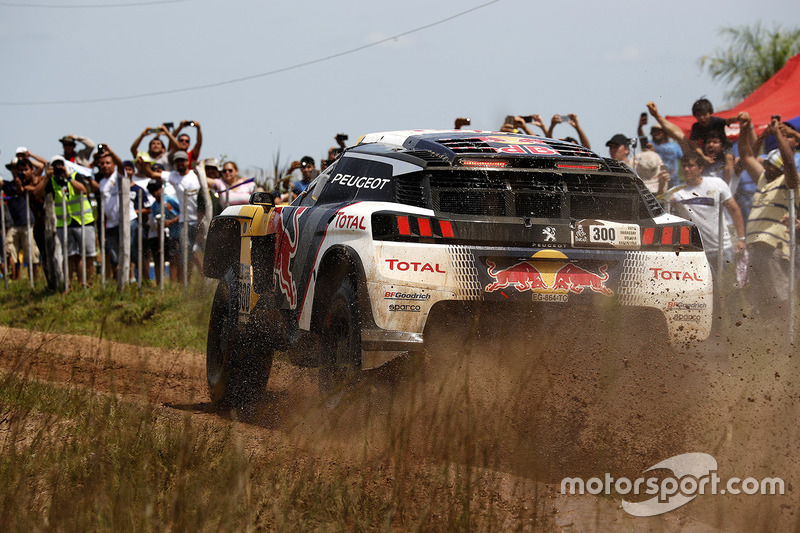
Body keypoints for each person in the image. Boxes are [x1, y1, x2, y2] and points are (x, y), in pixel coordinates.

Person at [737, 112, 800, 319]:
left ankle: (787, 340)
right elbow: (746, 157)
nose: (766, 168)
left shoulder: (789, 184)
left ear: (779, 168)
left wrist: (778, 135)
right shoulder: (765, 179)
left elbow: (790, 164)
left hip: (774, 247)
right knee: (761, 297)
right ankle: (769, 338)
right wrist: (744, 128)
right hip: (756, 245)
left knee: (779, 296)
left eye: (771, 165)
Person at [668, 152, 746, 275]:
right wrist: (662, 183)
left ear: (700, 168)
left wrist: (741, 239)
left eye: (691, 166)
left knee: (727, 288)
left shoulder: (717, 184)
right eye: (684, 166)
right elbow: (662, 204)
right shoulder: (677, 192)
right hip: (697, 252)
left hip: (722, 247)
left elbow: (734, 210)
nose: (687, 169)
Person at [138, 150, 202, 283]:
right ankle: (186, 284)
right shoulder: (173, 175)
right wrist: (143, 164)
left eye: (182, 160)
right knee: (187, 253)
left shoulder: (196, 175)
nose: (180, 163)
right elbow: (151, 174)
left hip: (200, 218)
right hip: (184, 221)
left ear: (187, 162)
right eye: (177, 161)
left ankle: (206, 280)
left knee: (201, 251)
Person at [34, 155, 98, 287]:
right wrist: (47, 177)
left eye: (60, 164)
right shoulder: (51, 181)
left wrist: (68, 177)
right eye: (55, 165)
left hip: (83, 221)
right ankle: (68, 284)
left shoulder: (75, 175)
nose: (58, 168)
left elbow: (83, 190)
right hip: (64, 224)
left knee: (87, 254)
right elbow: (37, 193)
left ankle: (87, 282)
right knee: (69, 256)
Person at [96, 146, 136, 281]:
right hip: (112, 223)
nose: (105, 166)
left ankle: (131, 278)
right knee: (115, 254)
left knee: (128, 251)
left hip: (126, 220)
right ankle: (119, 280)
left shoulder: (118, 175)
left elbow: (121, 166)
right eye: (102, 164)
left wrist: (111, 152)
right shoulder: (101, 182)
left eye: (108, 163)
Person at [3, 157, 42, 280]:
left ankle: (34, 279)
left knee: (31, 253)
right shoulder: (8, 185)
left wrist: (28, 155)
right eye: (14, 168)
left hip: (27, 222)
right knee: (13, 254)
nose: (16, 171)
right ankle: (16, 279)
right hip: (13, 224)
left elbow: (42, 166)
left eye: (19, 169)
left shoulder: (29, 183)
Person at [638, 118, 683, 188]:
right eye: (654, 131)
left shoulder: (674, 146)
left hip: (673, 181)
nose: (656, 133)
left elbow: (683, 160)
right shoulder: (650, 145)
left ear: (665, 132)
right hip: (656, 181)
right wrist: (640, 127)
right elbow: (642, 138)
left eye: (659, 131)